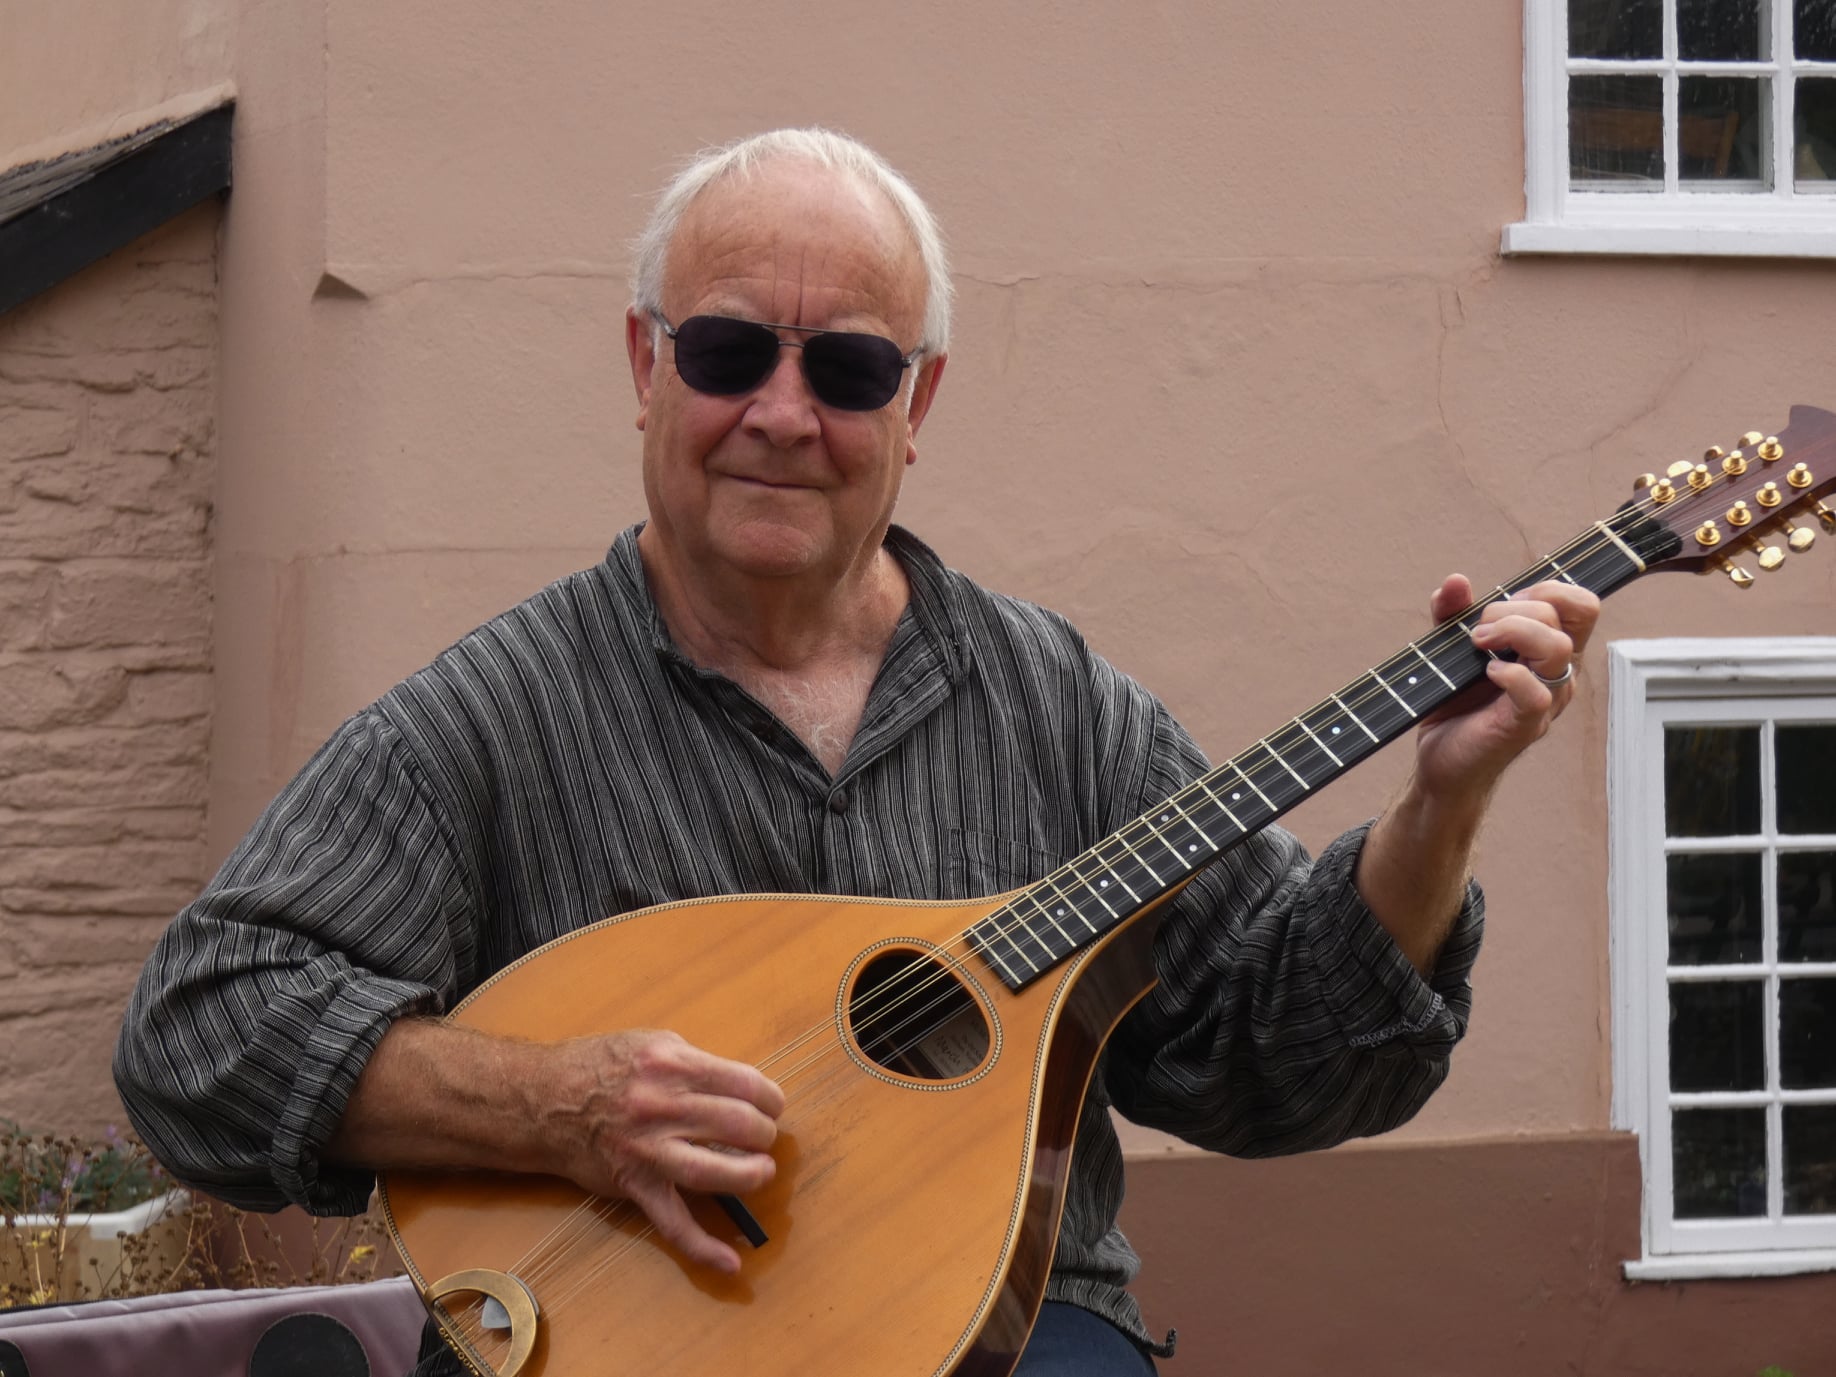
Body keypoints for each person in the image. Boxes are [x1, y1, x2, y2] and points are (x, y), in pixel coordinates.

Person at [114, 128, 1599, 1376]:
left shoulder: (1055, 703)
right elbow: (199, 1032)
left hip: (1011, 1333)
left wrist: (1438, 810)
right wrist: (563, 1105)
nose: (782, 412)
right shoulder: (494, 717)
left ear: (918, 403)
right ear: (644, 363)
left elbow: (1272, 1065)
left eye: (848, 368)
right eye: (726, 349)